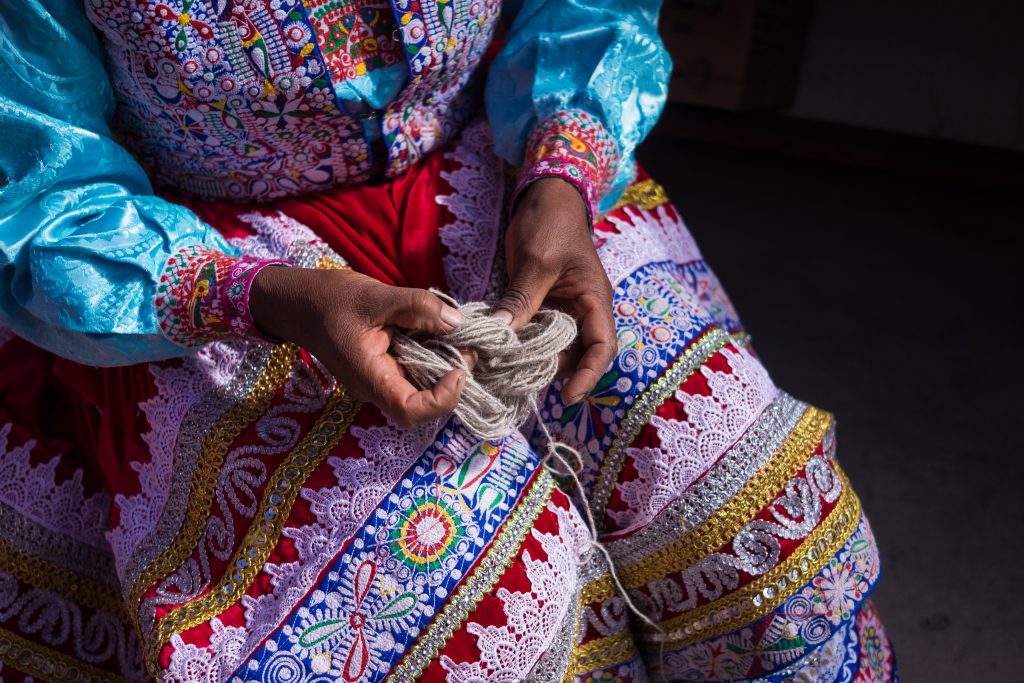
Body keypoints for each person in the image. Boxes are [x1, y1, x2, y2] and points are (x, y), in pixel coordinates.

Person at [0, 0, 896, 680]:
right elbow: (40, 187)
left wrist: (565, 170)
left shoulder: (549, 176)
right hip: (208, 270)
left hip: (517, 184)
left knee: (750, 508)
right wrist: (264, 298)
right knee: (448, 612)